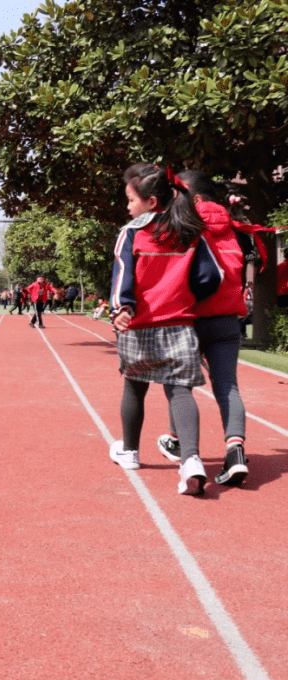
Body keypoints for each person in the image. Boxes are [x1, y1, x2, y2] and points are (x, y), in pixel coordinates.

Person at [109, 163, 220, 496]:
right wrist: (185, 296)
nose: (127, 207)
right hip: (180, 323)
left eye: (130, 200)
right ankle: (191, 461)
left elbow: (122, 274)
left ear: (151, 202)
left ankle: (129, 452)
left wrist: (122, 308)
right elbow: (210, 278)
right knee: (180, 390)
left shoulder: (132, 233)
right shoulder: (191, 232)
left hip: (139, 325)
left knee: (134, 388)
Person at [155, 170, 269, 487]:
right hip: (225, 324)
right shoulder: (236, 231)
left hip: (187, 321)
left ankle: (183, 448)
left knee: (178, 386)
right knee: (227, 387)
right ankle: (235, 452)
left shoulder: (180, 227)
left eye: (178, 193)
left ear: (198, 199)